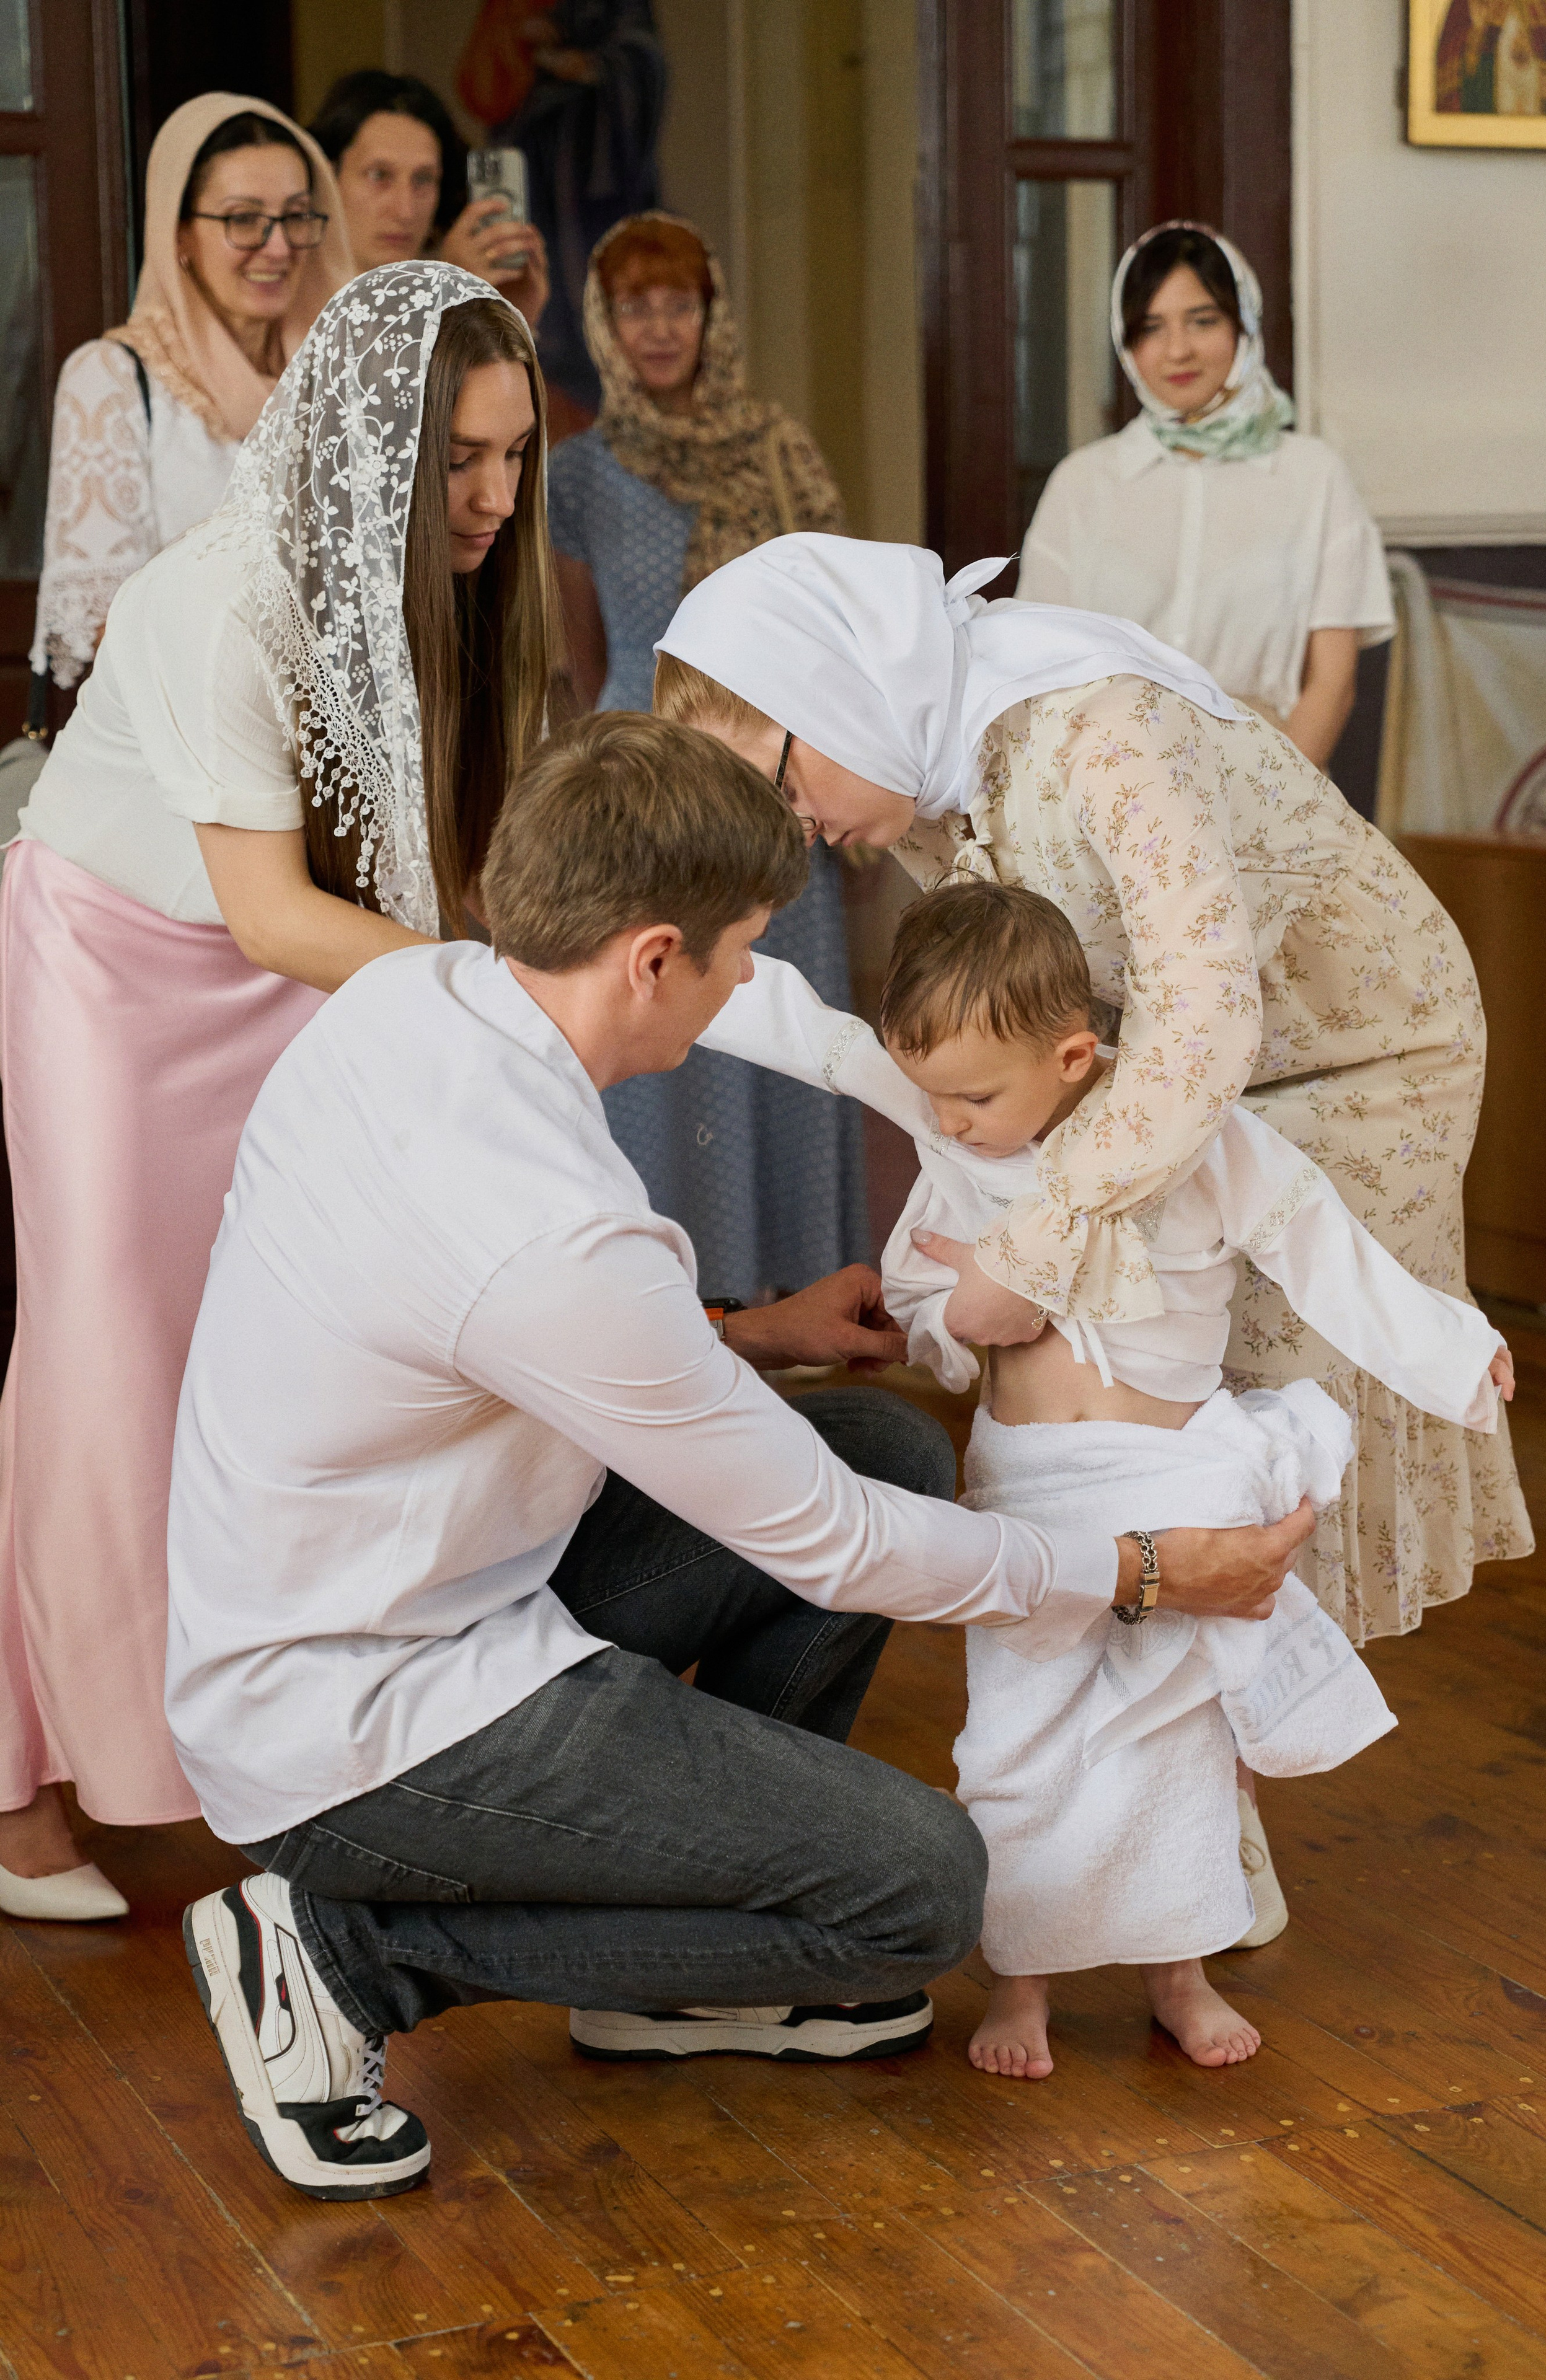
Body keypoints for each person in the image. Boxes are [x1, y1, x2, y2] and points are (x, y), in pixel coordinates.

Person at [169, 710, 1313, 2202]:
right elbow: (827, 1546)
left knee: (883, 1442)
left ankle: (672, 1957)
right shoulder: (554, 1233)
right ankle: (344, 1952)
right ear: (652, 954)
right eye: (732, 956)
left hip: (396, 1584)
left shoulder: (412, 1000)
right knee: (916, 1891)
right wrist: (1137, 1567)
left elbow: (468, 1327)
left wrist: (747, 1330)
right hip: (358, 1717)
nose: (729, 995)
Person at [652, 532, 1534, 1934]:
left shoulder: (1092, 729)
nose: (789, 825)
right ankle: (1177, 1844)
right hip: (1166, 1081)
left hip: (1343, 1065)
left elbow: (1200, 1021)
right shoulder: (933, 773)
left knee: (1220, 1434)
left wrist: (1038, 1243)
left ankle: (1191, 1839)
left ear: (840, 684)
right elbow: (982, 1055)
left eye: (775, 780)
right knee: (1142, 1425)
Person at [0, 264, 558, 1919]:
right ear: (370, 448)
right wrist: (502, 1009)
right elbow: (263, 906)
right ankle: (25, 1788)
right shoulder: (215, 596)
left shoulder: (440, 590)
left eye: (517, 456)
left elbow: (406, 883)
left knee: (295, 1344)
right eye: (461, 458)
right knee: (107, 1364)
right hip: (117, 971)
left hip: (303, 963)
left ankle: (297, 1737)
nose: (492, 497)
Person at [857, 881, 1510, 2074]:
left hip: (1169, 1474)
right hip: (1034, 1488)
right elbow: (921, 1311)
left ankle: (1178, 1967)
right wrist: (965, 1308)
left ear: (1073, 1056)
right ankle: (1024, 1982)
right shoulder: (962, 1166)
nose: (947, 1124)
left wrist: (1455, 1353)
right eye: (932, 1098)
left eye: (975, 1097)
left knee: (1174, 1732)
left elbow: (1325, 1250)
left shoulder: (1199, 1143)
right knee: (1019, 1739)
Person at [549, 212, 862, 1300]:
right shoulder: (577, 475)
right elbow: (588, 654)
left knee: (778, 1020)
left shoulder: (779, 450)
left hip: (779, 779)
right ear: (603, 323)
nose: (660, 328)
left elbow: (836, 622)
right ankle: (678, 1301)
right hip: (646, 776)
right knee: (660, 1015)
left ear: (713, 314)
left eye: (679, 303)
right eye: (635, 307)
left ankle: (799, 1303)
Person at [1017, 223, 1392, 774]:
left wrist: (1269, 806)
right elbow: (1042, 671)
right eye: (1150, 327)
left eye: (1204, 321)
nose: (1178, 351)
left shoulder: (1313, 477)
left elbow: (1332, 685)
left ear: (1244, 324)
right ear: (1126, 342)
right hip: (1107, 789)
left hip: (1273, 778)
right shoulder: (1083, 484)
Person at [27, 94, 351, 701]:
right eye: (243, 218)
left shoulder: (341, 377)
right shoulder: (113, 381)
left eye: (296, 216)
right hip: (180, 751)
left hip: (332, 757)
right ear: (179, 232)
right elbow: (101, 624)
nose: (277, 247)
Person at [457, 1, 666, 416]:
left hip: (599, 165)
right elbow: (482, 84)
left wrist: (592, 67)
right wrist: (521, 34)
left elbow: (642, 55)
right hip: (539, 155)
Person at [307, 70, 550, 340]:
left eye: (423, 179)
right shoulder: (287, 302)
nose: (405, 211)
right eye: (379, 175)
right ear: (327, 178)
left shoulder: (457, 291)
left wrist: (509, 321)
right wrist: (443, 296)